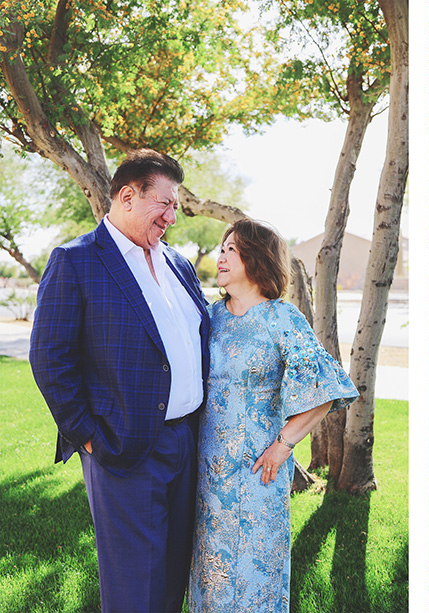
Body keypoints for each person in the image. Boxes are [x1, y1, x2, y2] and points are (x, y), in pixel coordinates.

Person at [29, 149, 209, 612]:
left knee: (173, 579)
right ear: (128, 196)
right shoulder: (76, 261)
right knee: (134, 587)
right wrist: (89, 437)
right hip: (123, 447)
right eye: (165, 204)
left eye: (176, 207)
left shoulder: (179, 264)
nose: (173, 216)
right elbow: (50, 359)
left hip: (187, 442)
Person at [188, 218, 358, 612]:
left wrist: (284, 446)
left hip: (258, 468)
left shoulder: (283, 319)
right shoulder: (210, 318)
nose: (221, 255)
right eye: (222, 248)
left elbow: (327, 389)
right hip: (207, 472)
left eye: (232, 249)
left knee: (253, 572)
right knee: (211, 574)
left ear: (256, 258)